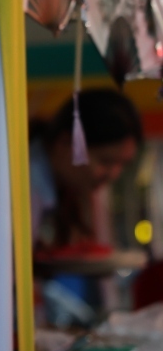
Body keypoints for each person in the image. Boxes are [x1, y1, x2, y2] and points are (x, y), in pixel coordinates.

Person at [31, 89, 141, 249]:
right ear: (65, 142)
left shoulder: (51, 191)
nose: (114, 174)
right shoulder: (25, 186)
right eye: (106, 161)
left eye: (122, 164)